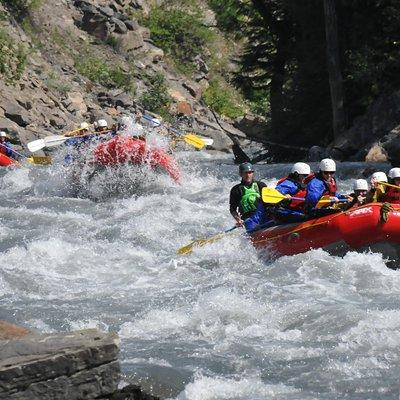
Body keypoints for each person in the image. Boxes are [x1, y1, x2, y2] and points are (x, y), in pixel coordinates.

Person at [229, 162, 266, 227]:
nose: (248, 175)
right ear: (241, 174)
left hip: (263, 214)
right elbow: (233, 209)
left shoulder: (261, 185)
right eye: (245, 173)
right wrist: (238, 220)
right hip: (248, 218)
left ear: (253, 173)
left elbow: (269, 200)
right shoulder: (235, 190)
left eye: (250, 172)